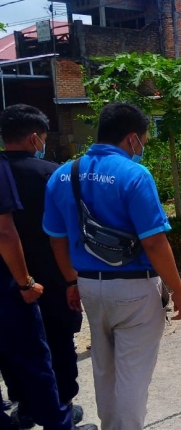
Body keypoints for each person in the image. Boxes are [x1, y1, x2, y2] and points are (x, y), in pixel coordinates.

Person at [43, 102, 181, 429]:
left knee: (104, 368)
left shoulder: (62, 174)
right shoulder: (135, 175)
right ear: (132, 138)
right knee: (133, 375)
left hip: (88, 286)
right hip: (134, 288)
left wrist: (71, 282)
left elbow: (56, 238)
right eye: (145, 140)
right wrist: (178, 291)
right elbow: (154, 241)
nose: (143, 147)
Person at [0, 146, 96, 430]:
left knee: (11, 351)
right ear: (34, 137)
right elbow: (71, 225)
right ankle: (61, 412)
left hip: (10, 277)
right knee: (49, 348)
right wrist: (71, 279)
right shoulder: (52, 174)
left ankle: (25, 407)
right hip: (46, 276)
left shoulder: (8, 169)